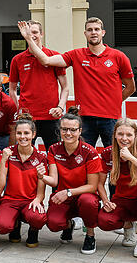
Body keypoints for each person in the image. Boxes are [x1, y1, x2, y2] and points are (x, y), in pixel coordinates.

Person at [18, 18, 134, 149]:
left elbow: (131, 87)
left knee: (115, 156)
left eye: (97, 29)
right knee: (83, 158)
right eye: (90, 30)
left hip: (111, 118)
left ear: (103, 32)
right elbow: (45, 60)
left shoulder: (118, 56)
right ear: (85, 33)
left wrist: (115, 101)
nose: (93, 32)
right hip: (85, 118)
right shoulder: (76, 55)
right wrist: (29, 39)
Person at [95, 118, 137, 257]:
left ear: (135, 136)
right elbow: (99, 183)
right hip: (121, 200)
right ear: (114, 135)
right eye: (120, 134)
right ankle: (128, 226)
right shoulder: (108, 153)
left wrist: (131, 158)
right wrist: (106, 200)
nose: (124, 138)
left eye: (129, 135)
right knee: (104, 221)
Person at [41, 108, 100, 254]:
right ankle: (68, 225)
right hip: (63, 196)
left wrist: (68, 192)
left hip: (83, 195)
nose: (68, 133)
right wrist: (41, 176)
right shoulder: (53, 149)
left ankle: (90, 236)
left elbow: (93, 186)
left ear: (80, 131)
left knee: (88, 201)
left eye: (73, 130)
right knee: (53, 223)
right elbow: (54, 181)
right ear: (59, 130)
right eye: (64, 129)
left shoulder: (90, 152)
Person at [8, 20, 69, 149]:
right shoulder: (17, 60)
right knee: (25, 155)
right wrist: (18, 109)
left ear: (42, 34)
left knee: (55, 155)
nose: (32, 36)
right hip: (28, 118)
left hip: (51, 116)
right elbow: (12, 89)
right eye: (28, 33)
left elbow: (65, 87)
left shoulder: (53, 56)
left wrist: (60, 107)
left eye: (35, 32)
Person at [0, 113, 48, 247]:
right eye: (19, 133)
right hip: (10, 200)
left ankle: (33, 230)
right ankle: (15, 224)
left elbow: (41, 192)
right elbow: (0, 185)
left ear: (33, 134)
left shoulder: (40, 157)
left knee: (38, 218)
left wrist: (37, 201)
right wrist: (3, 161)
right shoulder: (8, 153)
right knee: (1, 226)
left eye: (26, 133)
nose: (22, 137)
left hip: (30, 201)